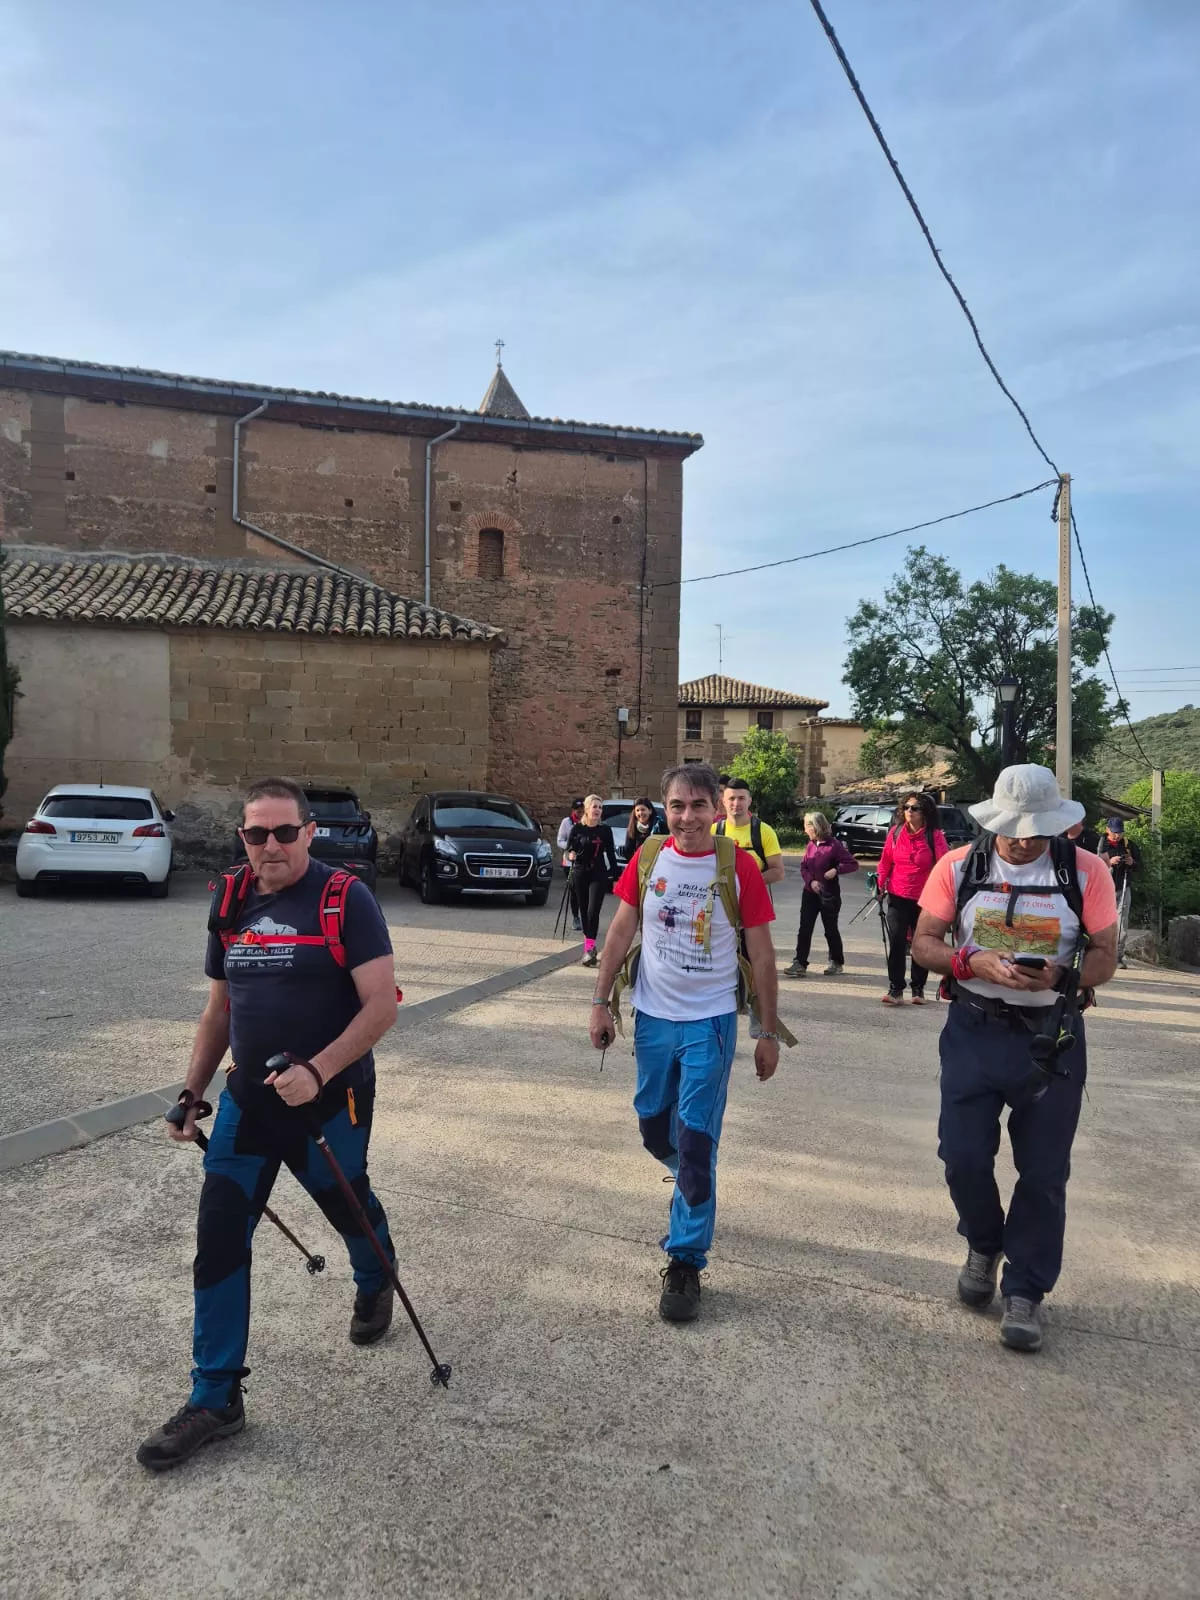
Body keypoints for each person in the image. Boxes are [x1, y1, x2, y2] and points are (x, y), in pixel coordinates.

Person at [137, 778, 400, 1471]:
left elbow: (380, 1007)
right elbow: (220, 1011)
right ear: (243, 839)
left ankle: (376, 1276)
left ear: (310, 833)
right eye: (257, 834)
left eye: (286, 832)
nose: (272, 846)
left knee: (349, 1206)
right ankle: (215, 1396)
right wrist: (193, 1092)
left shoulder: (346, 899)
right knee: (219, 1236)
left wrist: (318, 1069)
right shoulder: (230, 900)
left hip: (327, 1101)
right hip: (249, 1108)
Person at [911, 764, 1117, 1355]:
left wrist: (1065, 974)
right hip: (974, 1030)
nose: (1024, 841)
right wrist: (966, 963)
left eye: (1036, 831)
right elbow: (924, 941)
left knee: (1045, 1172)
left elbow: (1106, 954)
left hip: (1051, 1038)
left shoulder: (1086, 872)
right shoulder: (959, 866)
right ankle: (983, 1240)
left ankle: (1026, 1287)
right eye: (1014, 831)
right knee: (962, 1155)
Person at [588, 763, 780, 1323]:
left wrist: (766, 1031)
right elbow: (621, 931)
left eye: (699, 805)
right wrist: (600, 1001)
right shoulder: (649, 859)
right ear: (665, 809)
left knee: (696, 1138)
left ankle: (685, 1260)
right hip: (652, 1018)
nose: (688, 816)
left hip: (710, 1024)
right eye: (677, 806)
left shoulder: (737, 865)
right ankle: (699, 1183)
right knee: (653, 1125)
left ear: (718, 810)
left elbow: (763, 956)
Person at [876, 791, 949, 1005]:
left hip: (925, 899)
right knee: (897, 940)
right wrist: (880, 885)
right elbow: (885, 861)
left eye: (914, 808)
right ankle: (895, 989)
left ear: (924, 813)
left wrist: (947, 893)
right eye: (906, 807)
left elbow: (944, 865)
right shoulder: (896, 833)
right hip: (898, 895)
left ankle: (918, 989)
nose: (909, 811)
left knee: (921, 943)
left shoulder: (934, 836)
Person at [783, 812, 858, 977]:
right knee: (805, 928)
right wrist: (811, 881)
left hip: (829, 894)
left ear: (814, 827)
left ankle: (836, 962)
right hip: (810, 893)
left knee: (830, 929)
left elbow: (852, 864)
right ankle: (799, 963)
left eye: (806, 826)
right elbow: (804, 867)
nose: (804, 830)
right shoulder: (810, 844)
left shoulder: (834, 845)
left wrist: (836, 870)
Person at [566, 794, 620, 967]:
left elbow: (611, 853)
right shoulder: (577, 829)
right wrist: (571, 854)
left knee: (592, 911)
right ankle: (589, 948)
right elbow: (569, 849)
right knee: (583, 911)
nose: (597, 810)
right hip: (580, 872)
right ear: (587, 809)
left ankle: (589, 949)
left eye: (600, 807)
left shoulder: (605, 830)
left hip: (598, 873)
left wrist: (615, 876)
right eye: (594, 806)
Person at [713, 778, 785, 885]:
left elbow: (778, 872)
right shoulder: (713, 831)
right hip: (720, 899)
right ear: (723, 801)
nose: (736, 803)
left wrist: (746, 883)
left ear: (749, 801)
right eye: (731, 798)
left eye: (741, 798)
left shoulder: (764, 831)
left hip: (753, 897)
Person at [1097, 817, 1140, 967]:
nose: (1118, 835)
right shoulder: (1099, 844)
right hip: (1102, 890)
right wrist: (1109, 862)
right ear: (1108, 830)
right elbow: (1091, 864)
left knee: (1121, 924)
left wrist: (1131, 863)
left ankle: (1117, 957)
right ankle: (1099, 955)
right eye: (1115, 832)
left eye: (1120, 832)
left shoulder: (1129, 845)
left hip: (1123, 887)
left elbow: (1140, 865)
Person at [557, 798, 585, 930]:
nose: (580, 814)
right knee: (574, 891)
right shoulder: (567, 822)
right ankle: (575, 917)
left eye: (582, 811)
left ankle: (585, 916)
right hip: (569, 862)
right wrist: (569, 847)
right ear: (573, 810)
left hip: (585, 861)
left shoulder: (588, 822)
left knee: (584, 892)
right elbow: (560, 840)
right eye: (578, 811)